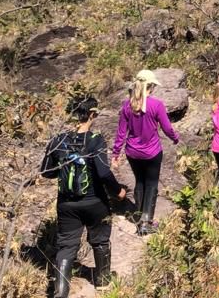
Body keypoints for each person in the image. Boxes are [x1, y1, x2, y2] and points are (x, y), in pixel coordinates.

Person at [40, 96, 126, 298]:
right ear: (92, 114)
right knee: (100, 240)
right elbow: (103, 173)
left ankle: (61, 292)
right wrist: (118, 191)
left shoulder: (58, 140)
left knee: (66, 246)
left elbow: (46, 172)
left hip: (67, 204)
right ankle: (103, 282)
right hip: (95, 202)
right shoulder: (95, 140)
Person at [111, 69, 179, 236]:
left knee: (139, 182)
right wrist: (175, 138)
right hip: (152, 152)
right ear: (151, 86)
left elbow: (121, 133)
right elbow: (167, 127)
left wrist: (115, 154)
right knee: (152, 184)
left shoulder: (127, 105)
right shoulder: (156, 105)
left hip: (132, 153)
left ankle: (140, 216)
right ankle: (146, 222)